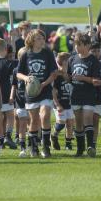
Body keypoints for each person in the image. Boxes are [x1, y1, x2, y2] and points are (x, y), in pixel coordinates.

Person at [17, 29, 58, 158]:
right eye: (39, 38)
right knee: (34, 120)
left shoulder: (47, 53)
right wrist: (26, 79)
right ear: (32, 40)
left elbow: (53, 73)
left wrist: (43, 84)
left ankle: (46, 148)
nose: (42, 40)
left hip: (44, 89)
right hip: (31, 92)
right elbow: (18, 73)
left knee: (45, 115)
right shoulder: (26, 54)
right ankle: (34, 147)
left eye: (42, 38)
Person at [68, 32, 100, 157]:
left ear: (87, 45)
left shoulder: (93, 60)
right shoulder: (72, 59)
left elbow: (95, 80)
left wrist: (83, 78)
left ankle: (91, 146)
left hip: (88, 94)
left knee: (88, 118)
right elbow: (70, 78)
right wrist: (64, 75)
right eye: (76, 44)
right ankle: (80, 149)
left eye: (79, 44)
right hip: (75, 94)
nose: (77, 47)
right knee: (78, 122)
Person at [0, 38, 18, 150]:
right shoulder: (10, 62)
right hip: (7, 92)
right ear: (6, 49)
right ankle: (8, 136)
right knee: (10, 115)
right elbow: (14, 80)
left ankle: (1, 141)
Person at [50, 52, 74, 152]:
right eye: (69, 61)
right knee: (61, 123)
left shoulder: (69, 75)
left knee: (70, 123)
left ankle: (68, 143)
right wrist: (57, 104)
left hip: (69, 103)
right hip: (60, 103)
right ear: (64, 62)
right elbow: (54, 92)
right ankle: (53, 135)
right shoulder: (57, 76)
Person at [10, 47, 29, 157]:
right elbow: (14, 85)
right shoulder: (16, 70)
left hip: (31, 100)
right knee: (22, 123)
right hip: (20, 100)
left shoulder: (32, 69)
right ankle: (22, 147)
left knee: (31, 122)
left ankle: (32, 144)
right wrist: (11, 96)